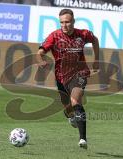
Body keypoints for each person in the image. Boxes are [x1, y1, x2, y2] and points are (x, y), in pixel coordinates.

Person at [36, 8, 99, 149]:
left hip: (80, 73)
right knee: (68, 107)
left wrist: (97, 60)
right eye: (62, 22)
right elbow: (39, 52)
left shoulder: (83, 34)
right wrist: (41, 61)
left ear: (73, 21)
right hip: (61, 76)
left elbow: (95, 40)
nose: (64, 25)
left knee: (75, 100)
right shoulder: (54, 36)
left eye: (67, 22)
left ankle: (83, 139)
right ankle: (71, 116)